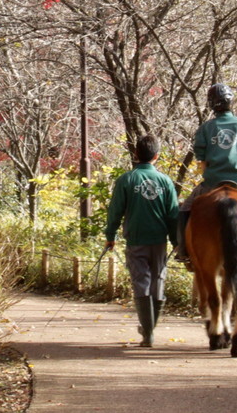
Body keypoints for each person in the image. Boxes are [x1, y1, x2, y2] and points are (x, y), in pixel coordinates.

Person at [174, 82, 237, 268]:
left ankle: (183, 252)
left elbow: (202, 162)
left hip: (212, 183)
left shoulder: (206, 128)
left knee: (184, 211)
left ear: (211, 104)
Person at [104, 134, 178, 348]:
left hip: (136, 241)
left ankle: (148, 333)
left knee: (141, 282)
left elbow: (115, 211)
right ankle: (150, 329)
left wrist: (111, 236)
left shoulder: (126, 179)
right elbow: (173, 214)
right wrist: (176, 240)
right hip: (159, 241)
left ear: (136, 155)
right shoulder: (165, 181)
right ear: (157, 156)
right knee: (158, 280)